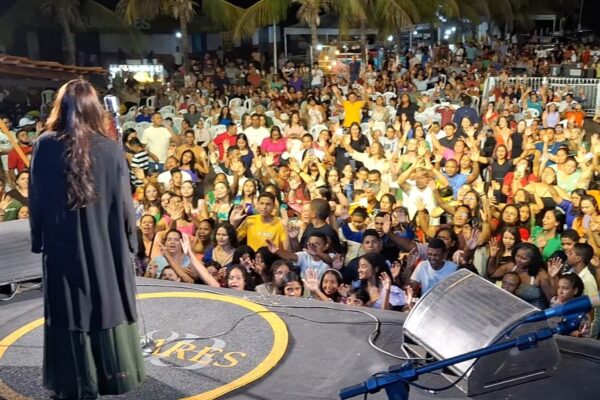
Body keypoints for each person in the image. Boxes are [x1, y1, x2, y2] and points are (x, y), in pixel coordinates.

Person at [28, 79, 144, 399]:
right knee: (104, 301)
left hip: (62, 244)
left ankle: (75, 381)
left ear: (59, 108)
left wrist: (38, 239)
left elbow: (35, 199)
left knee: (70, 307)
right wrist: (131, 244)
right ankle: (111, 376)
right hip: (106, 244)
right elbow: (124, 204)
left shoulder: (44, 145)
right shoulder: (110, 149)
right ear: (94, 109)